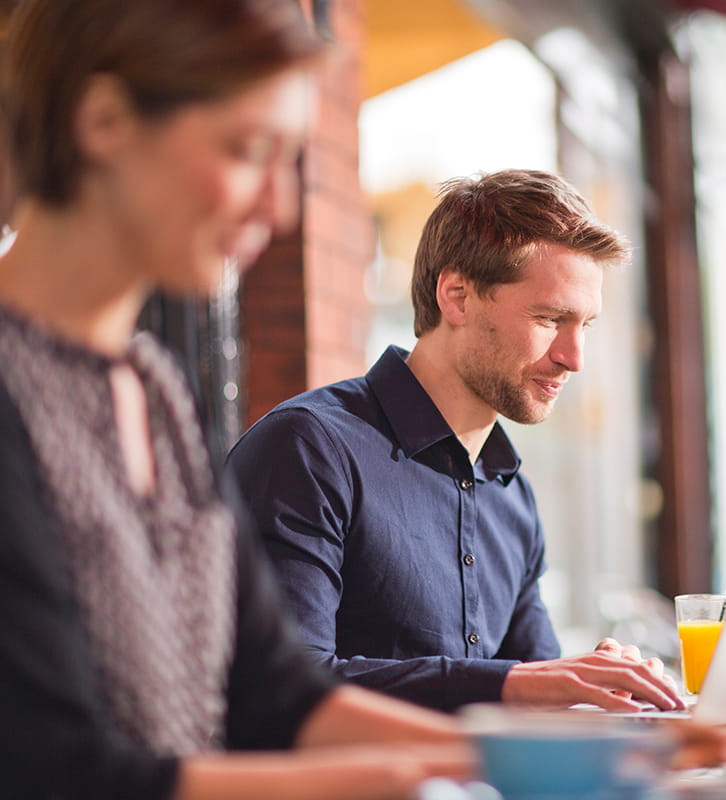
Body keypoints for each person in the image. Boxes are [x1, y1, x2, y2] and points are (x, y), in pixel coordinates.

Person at [0, 1, 481, 798]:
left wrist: (560, 755)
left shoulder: (156, 391)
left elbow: (277, 698)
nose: (278, 208)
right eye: (248, 150)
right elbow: (57, 771)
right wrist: (401, 779)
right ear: (105, 118)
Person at [226, 169, 687, 713]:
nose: (573, 356)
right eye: (550, 318)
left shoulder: (511, 494)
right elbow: (279, 691)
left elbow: (536, 692)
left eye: (585, 325)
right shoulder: (308, 448)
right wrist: (511, 685)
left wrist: (598, 686)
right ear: (457, 297)